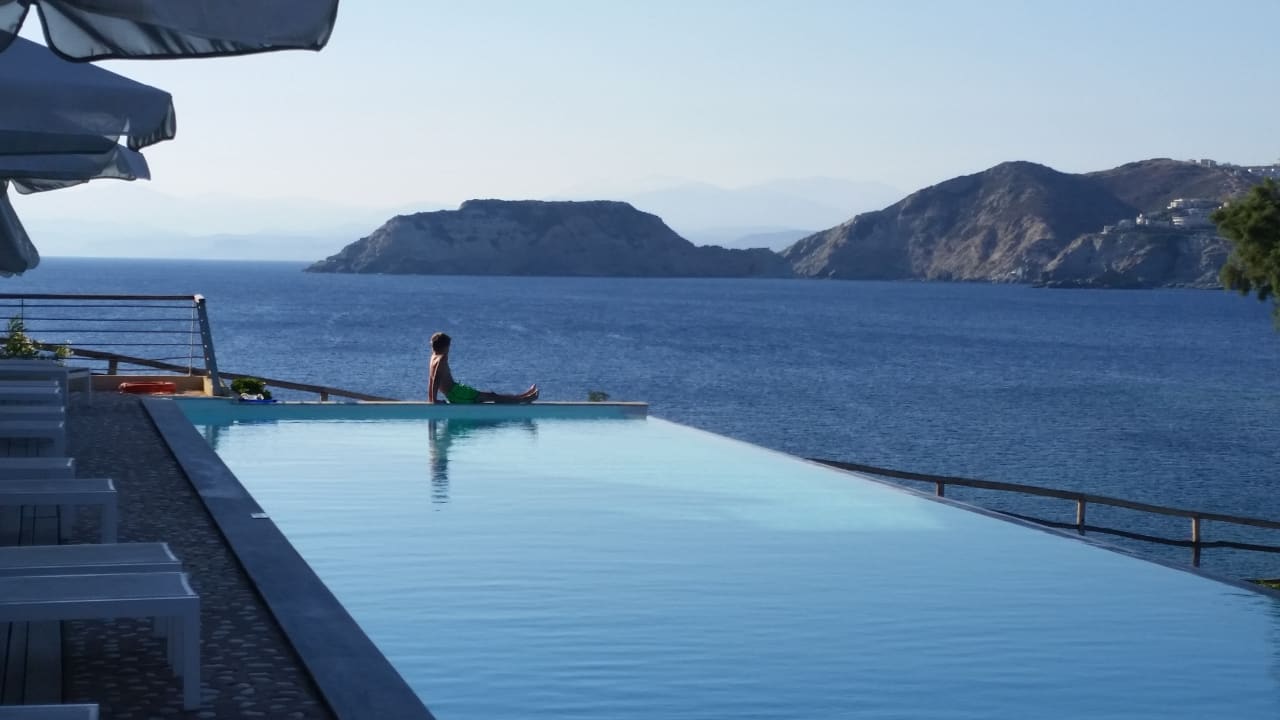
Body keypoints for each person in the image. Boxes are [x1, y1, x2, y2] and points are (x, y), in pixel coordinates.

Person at [427, 332, 538, 404]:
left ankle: (522, 396)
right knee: (493, 396)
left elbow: (431, 379)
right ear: (445, 346)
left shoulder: (433, 358)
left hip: (457, 391)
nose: (449, 349)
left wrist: (431, 399)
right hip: (457, 394)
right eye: (449, 346)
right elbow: (436, 379)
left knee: (492, 395)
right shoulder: (442, 358)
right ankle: (524, 399)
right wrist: (434, 400)